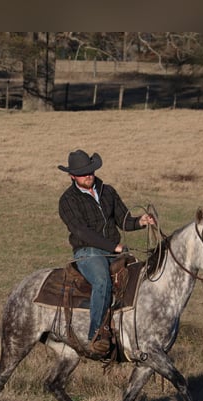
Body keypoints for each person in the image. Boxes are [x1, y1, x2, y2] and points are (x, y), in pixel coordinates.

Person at [58, 149, 156, 357]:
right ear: (72, 176)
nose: (89, 175)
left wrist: (140, 221)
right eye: (83, 173)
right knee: (102, 281)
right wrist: (114, 247)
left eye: (91, 171)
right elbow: (82, 232)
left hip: (113, 251)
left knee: (141, 276)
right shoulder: (67, 201)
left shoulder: (107, 191)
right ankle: (96, 335)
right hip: (87, 251)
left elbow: (123, 220)